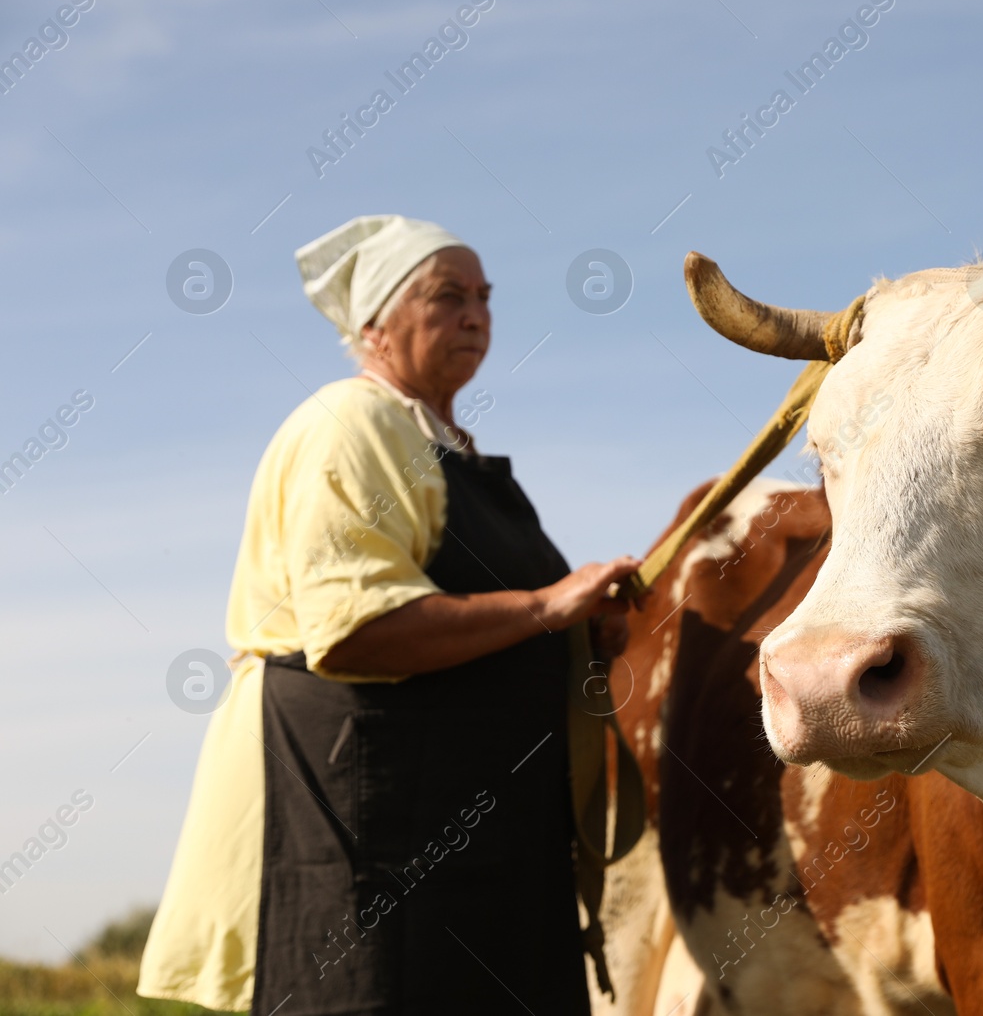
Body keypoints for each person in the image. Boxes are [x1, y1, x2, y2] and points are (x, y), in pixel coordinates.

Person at [138, 215, 640, 1015]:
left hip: (465, 829)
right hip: (366, 816)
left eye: (483, 296)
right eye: (448, 296)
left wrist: (582, 633)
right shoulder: (352, 423)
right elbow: (354, 628)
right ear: (375, 324)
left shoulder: (447, 445)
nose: (476, 315)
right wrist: (547, 605)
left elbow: (497, 625)